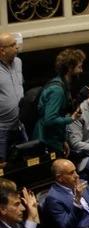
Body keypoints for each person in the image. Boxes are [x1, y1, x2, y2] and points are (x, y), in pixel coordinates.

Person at [32, 48, 85, 156]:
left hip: (54, 138)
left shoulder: (63, 84)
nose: (81, 70)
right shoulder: (57, 90)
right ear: (70, 68)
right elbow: (50, 120)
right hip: (46, 141)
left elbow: (59, 115)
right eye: (79, 67)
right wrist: (71, 118)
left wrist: (63, 140)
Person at [40, 158, 89, 228]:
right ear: (60, 178)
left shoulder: (82, 182)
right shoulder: (53, 198)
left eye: (75, 171)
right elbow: (67, 226)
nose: (77, 175)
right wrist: (77, 202)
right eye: (71, 173)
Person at [0, 32, 24, 161]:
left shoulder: (18, 62)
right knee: (2, 164)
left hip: (20, 124)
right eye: (13, 45)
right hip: (2, 128)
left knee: (27, 159)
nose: (17, 47)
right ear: (2, 50)